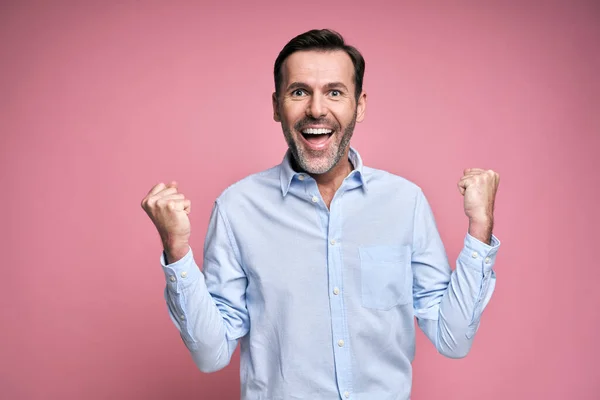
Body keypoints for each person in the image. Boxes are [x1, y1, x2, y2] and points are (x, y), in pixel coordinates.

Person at [141, 29, 501, 400]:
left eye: (334, 92)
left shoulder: (405, 202)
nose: (316, 109)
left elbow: (453, 338)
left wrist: (480, 228)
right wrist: (176, 248)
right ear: (276, 105)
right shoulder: (237, 209)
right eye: (299, 92)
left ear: (358, 105)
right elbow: (210, 354)